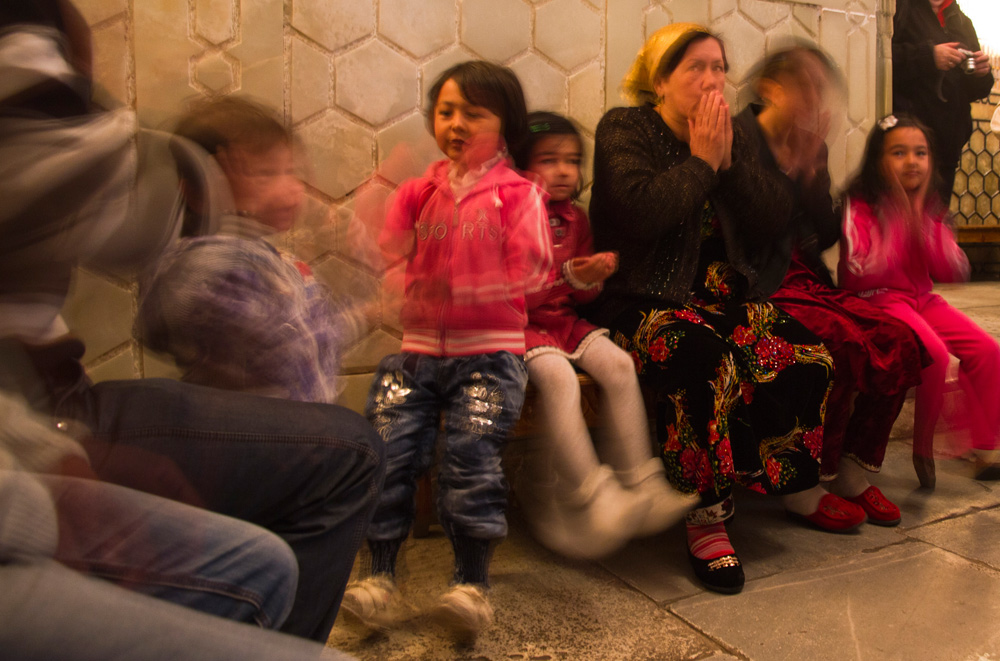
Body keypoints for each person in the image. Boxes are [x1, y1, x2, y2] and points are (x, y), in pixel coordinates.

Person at [0, 0, 385, 643]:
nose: (294, 188)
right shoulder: (204, 260)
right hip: (44, 404)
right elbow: (274, 339)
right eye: (269, 171)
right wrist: (193, 179)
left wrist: (371, 290)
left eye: (293, 171)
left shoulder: (262, 253)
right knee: (347, 453)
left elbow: (312, 323)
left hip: (36, 417)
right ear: (227, 168)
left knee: (270, 558)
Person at [587, 23, 864, 596]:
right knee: (706, 361)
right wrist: (702, 162)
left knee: (808, 354)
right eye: (696, 68)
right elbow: (640, 214)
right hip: (644, 297)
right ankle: (705, 518)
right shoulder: (625, 128)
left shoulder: (728, 135)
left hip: (721, 294)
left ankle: (784, 486)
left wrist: (727, 159)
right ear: (659, 81)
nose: (713, 80)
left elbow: (770, 217)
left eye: (720, 68)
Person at [341, 60, 551, 640]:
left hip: (488, 356)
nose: (456, 123)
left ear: (505, 123)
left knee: (470, 465)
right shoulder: (418, 192)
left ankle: (470, 587)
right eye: (445, 111)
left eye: (473, 113)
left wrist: (472, 286)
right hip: (414, 353)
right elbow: (390, 255)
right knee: (383, 456)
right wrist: (369, 215)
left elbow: (533, 270)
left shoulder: (519, 195)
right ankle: (379, 579)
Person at [735, 45, 930, 525]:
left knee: (898, 338)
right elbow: (747, 230)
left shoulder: (810, 146)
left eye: (818, 90)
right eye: (803, 87)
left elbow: (823, 235)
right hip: (755, 279)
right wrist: (794, 173)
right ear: (769, 89)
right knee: (837, 343)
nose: (812, 100)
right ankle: (804, 483)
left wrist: (813, 173)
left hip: (804, 276)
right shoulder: (739, 139)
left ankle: (852, 470)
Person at [0, 390, 338, 661]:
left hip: (23, 485)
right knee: (346, 452)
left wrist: (58, 455)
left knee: (265, 563)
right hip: (16, 525)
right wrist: (48, 510)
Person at [509, 111, 694, 559]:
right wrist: (571, 275)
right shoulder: (514, 215)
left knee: (618, 363)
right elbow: (516, 295)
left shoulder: (575, 217)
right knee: (558, 378)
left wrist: (593, 278)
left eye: (572, 161)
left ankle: (641, 481)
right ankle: (590, 492)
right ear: (519, 167)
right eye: (548, 160)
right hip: (524, 330)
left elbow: (586, 299)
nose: (563, 171)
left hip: (566, 324)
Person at [137, 97, 367, 404]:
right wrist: (235, 214)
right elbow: (283, 352)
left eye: (289, 171)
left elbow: (314, 337)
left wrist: (373, 307)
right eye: (263, 174)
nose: (290, 187)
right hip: (248, 441)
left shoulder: (273, 259)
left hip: (297, 431)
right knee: (359, 442)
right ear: (196, 192)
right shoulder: (195, 265)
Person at [839, 113, 1000, 488]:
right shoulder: (861, 203)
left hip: (922, 298)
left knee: (988, 351)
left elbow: (954, 270)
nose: (912, 162)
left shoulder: (930, 206)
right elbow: (857, 270)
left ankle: (982, 445)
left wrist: (925, 228)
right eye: (899, 153)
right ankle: (923, 447)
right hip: (877, 298)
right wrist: (897, 221)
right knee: (933, 354)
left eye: (920, 153)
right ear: (879, 159)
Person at [892, 0, 994, 203]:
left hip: (947, 148)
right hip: (907, 142)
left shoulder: (962, 22)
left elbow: (972, 90)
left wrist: (982, 74)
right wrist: (929, 57)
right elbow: (881, 58)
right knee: (902, 217)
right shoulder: (900, 8)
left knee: (936, 221)